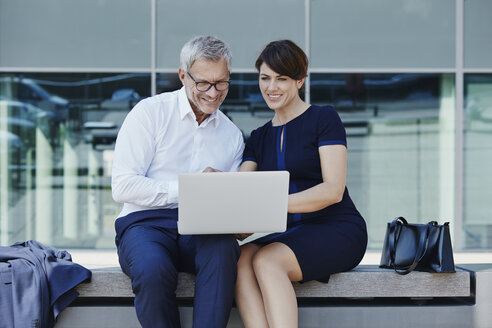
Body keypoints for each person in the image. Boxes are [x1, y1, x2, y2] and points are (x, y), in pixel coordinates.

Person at [111, 36, 244, 328]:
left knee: (224, 251)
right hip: (144, 224)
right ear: (183, 76)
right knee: (152, 269)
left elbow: (231, 207)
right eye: (203, 83)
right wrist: (190, 189)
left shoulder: (231, 136)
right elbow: (123, 186)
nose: (213, 93)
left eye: (222, 83)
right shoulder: (149, 113)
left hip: (202, 227)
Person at [235, 40, 368, 328]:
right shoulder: (258, 137)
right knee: (241, 258)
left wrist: (270, 207)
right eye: (265, 78)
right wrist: (219, 187)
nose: (272, 87)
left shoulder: (324, 119)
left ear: (300, 80)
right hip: (291, 233)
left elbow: (333, 190)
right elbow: (242, 191)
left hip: (336, 228)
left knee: (266, 260)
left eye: (281, 78)